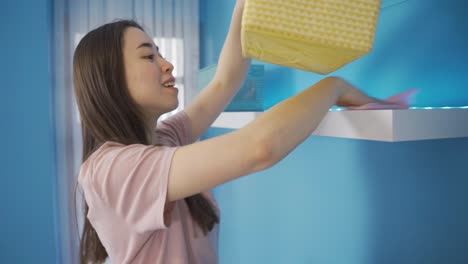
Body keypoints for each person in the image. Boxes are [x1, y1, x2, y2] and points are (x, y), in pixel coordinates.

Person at [74, 1, 400, 263]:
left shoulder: (166, 138)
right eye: (148, 55)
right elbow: (259, 147)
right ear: (109, 80)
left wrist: (245, 7)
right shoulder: (109, 170)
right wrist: (333, 87)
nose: (166, 64)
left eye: (159, 52)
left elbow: (224, 81)